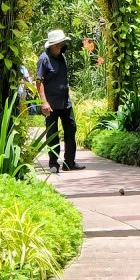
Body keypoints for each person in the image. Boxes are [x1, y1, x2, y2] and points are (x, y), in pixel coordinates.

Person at [37, 29, 86, 173]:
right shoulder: (44, 59)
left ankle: (69, 162)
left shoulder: (61, 57)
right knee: (52, 133)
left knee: (71, 129)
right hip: (51, 104)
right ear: (52, 45)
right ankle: (53, 164)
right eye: (59, 44)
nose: (62, 46)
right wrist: (44, 102)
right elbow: (39, 82)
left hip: (65, 102)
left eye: (62, 43)